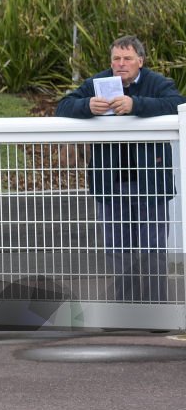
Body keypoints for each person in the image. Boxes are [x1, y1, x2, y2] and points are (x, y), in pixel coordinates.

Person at [55, 36, 185, 301]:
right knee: (117, 250)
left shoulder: (157, 83)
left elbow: (177, 103)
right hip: (109, 182)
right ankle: (126, 310)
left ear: (140, 60)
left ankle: (155, 310)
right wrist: (87, 106)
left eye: (127, 59)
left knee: (153, 249)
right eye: (116, 58)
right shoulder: (97, 83)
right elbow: (63, 106)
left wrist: (136, 105)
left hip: (151, 182)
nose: (121, 64)